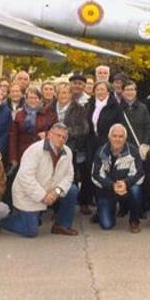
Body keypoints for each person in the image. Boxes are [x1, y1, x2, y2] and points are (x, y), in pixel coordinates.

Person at [1, 123, 79, 237]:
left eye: (64, 137)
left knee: (72, 190)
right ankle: (1, 222)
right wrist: (43, 196)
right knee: (30, 232)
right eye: (58, 135)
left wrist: (57, 191)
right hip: (28, 193)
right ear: (50, 135)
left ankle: (61, 225)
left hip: (51, 191)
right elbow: (25, 177)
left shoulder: (67, 152)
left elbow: (69, 175)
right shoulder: (35, 150)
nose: (61, 139)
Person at [92, 124, 145, 233]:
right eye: (114, 136)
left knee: (136, 190)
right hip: (107, 189)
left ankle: (134, 220)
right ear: (109, 137)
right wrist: (112, 186)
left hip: (126, 188)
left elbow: (139, 173)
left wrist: (126, 183)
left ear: (125, 138)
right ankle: (102, 211)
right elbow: (95, 175)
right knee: (107, 225)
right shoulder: (102, 152)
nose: (117, 139)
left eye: (121, 136)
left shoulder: (133, 151)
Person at [54, 83, 90, 213]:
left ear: (70, 95)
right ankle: (55, 209)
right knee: (53, 178)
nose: (63, 95)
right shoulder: (49, 108)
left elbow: (84, 129)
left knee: (68, 179)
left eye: (66, 93)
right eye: (60, 93)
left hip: (70, 148)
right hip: (52, 149)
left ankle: (65, 210)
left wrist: (64, 133)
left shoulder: (79, 109)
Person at [85, 81, 119, 213]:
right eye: (97, 89)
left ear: (108, 91)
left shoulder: (114, 106)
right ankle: (94, 201)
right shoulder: (90, 105)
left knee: (105, 171)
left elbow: (117, 126)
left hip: (107, 144)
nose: (100, 92)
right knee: (92, 171)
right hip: (92, 143)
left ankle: (106, 205)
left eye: (102, 89)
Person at [9, 87, 57, 166]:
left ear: (40, 99)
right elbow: (13, 136)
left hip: (42, 151)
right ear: (26, 99)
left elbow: (55, 130)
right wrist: (13, 157)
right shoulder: (19, 114)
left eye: (36, 98)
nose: (33, 100)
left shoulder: (48, 113)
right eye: (30, 98)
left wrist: (47, 134)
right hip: (23, 152)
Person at [119, 81, 150, 157]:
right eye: (127, 90)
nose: (129, 92)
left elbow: (148, 127)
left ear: (136, 92)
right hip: (122, 148)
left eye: (132, 89)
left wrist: (144, 143)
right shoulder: (118, 109)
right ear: (122, 92)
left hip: (139, 146)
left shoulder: (143, 108)